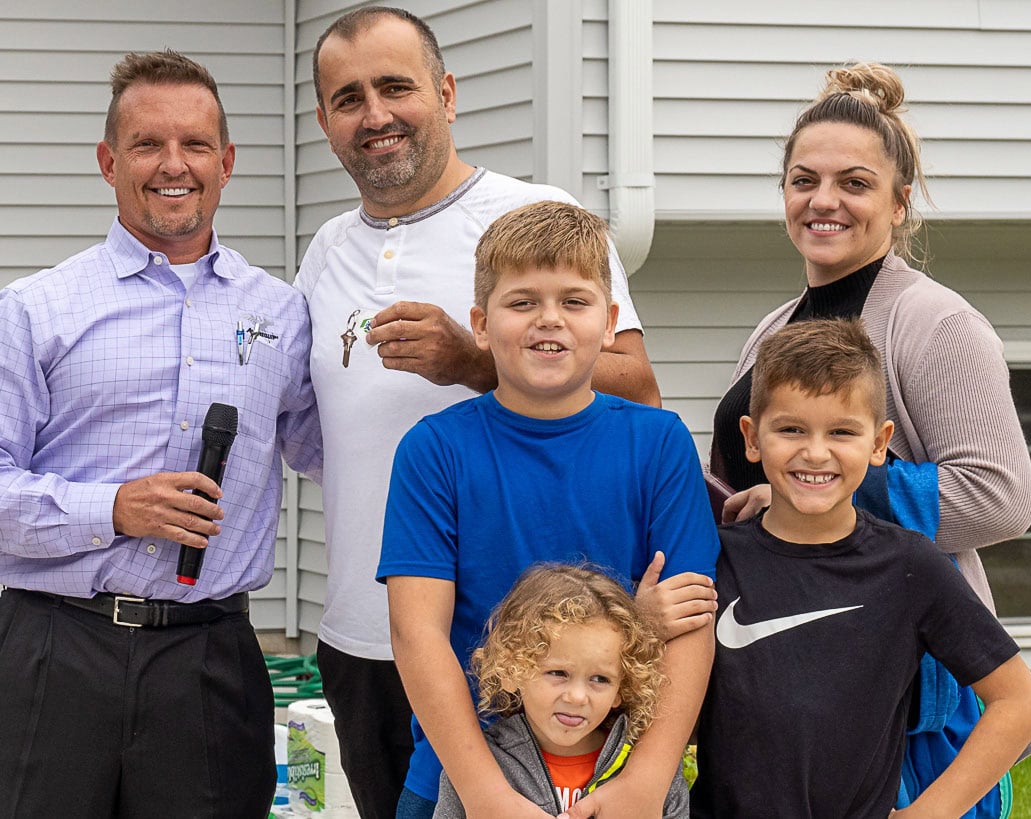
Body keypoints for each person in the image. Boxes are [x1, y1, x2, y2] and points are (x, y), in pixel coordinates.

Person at [294, 7, 689, 818]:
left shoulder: (527, 217)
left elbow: (636, 383)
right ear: (327, 122)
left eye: (395, 87)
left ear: (444, 93)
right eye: (347, 97)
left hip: (532, 658)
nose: (374, 114)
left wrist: (472, 365)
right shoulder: (326, 247)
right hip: (367, 634)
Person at [0, 50, 322, 818]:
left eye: (195, 144)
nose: (173, 165)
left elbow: (335, 455)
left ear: (227, 162)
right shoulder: (37, 309)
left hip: (209, 661)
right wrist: (112, 508)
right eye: (147, 144)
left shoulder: (281, 313)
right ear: (109, 162)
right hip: (51, 650)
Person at [379, 201, 719, 819]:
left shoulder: (659, 443)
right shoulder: (434, 451)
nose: (549, 320)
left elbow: (692, 625)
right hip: (463, 777)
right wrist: (485, 796)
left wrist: (646, 781)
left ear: (610, 322)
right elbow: (417, 632)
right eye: (522, 302)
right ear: (481, 325)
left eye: (575, 301)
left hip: (622, 778)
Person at [710, 61, 1031, 613]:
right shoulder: (772, 330)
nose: (823, 200)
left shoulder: (937, 324)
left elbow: (1000, 498)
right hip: (767, 626)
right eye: (804, 180)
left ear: (900, 203)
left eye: (855, 183)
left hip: (891, 644)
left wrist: (810, 500)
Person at [692, 318, 1031, 818]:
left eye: (842, 431)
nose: (816, 452)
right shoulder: (713, 558)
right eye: (791, 429)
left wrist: (928, 813)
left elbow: (1020, 703)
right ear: (752, 438)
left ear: (879, 443)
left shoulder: (910, 566)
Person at [434, 563, 686, 819]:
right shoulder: (478, 769)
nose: (577, 697)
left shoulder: (649, 773)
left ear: (622, 688)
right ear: (511, 671)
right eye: (558, 673)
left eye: (600, 679)